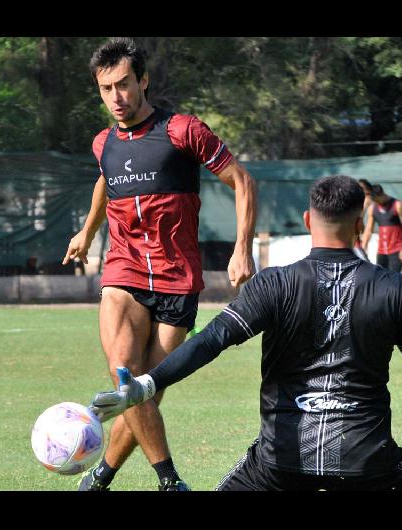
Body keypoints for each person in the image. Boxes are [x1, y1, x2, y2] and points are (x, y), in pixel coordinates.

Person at [90, 175, 402, 491]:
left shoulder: (273, 284)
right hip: (368, 466)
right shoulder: (394, 290)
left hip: (277, 467)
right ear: (360, 221)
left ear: (307, 218)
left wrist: (147, 383)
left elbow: (210, 341)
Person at [63, 37, 257, 492]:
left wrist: (242, 247)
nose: (117, 97)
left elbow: (242, 181)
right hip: (123, 271)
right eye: (107, 88)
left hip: (178, 280)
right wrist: (88, 232)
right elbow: (105, 180)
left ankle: (101, 477)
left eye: (125, 84)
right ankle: (170, 480)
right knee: (125, 374)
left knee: (145, 392)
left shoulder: (183, 131)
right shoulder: (103, 142)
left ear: (143, 80)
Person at [360, 184, 402, 273]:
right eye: (373, 200)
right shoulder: (373, 208)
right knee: (381, 280)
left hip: (396, 250)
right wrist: (363, 246)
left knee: (394, 280)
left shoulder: (398, 205)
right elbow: (368, 230)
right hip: (381, 251)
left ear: (381, 194)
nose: (375, 201)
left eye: (376, 199)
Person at [352, 178, 374, 261]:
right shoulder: (362, 200)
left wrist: (364, 239)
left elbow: (361, 218)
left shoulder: (367, 200)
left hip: (362, 237)